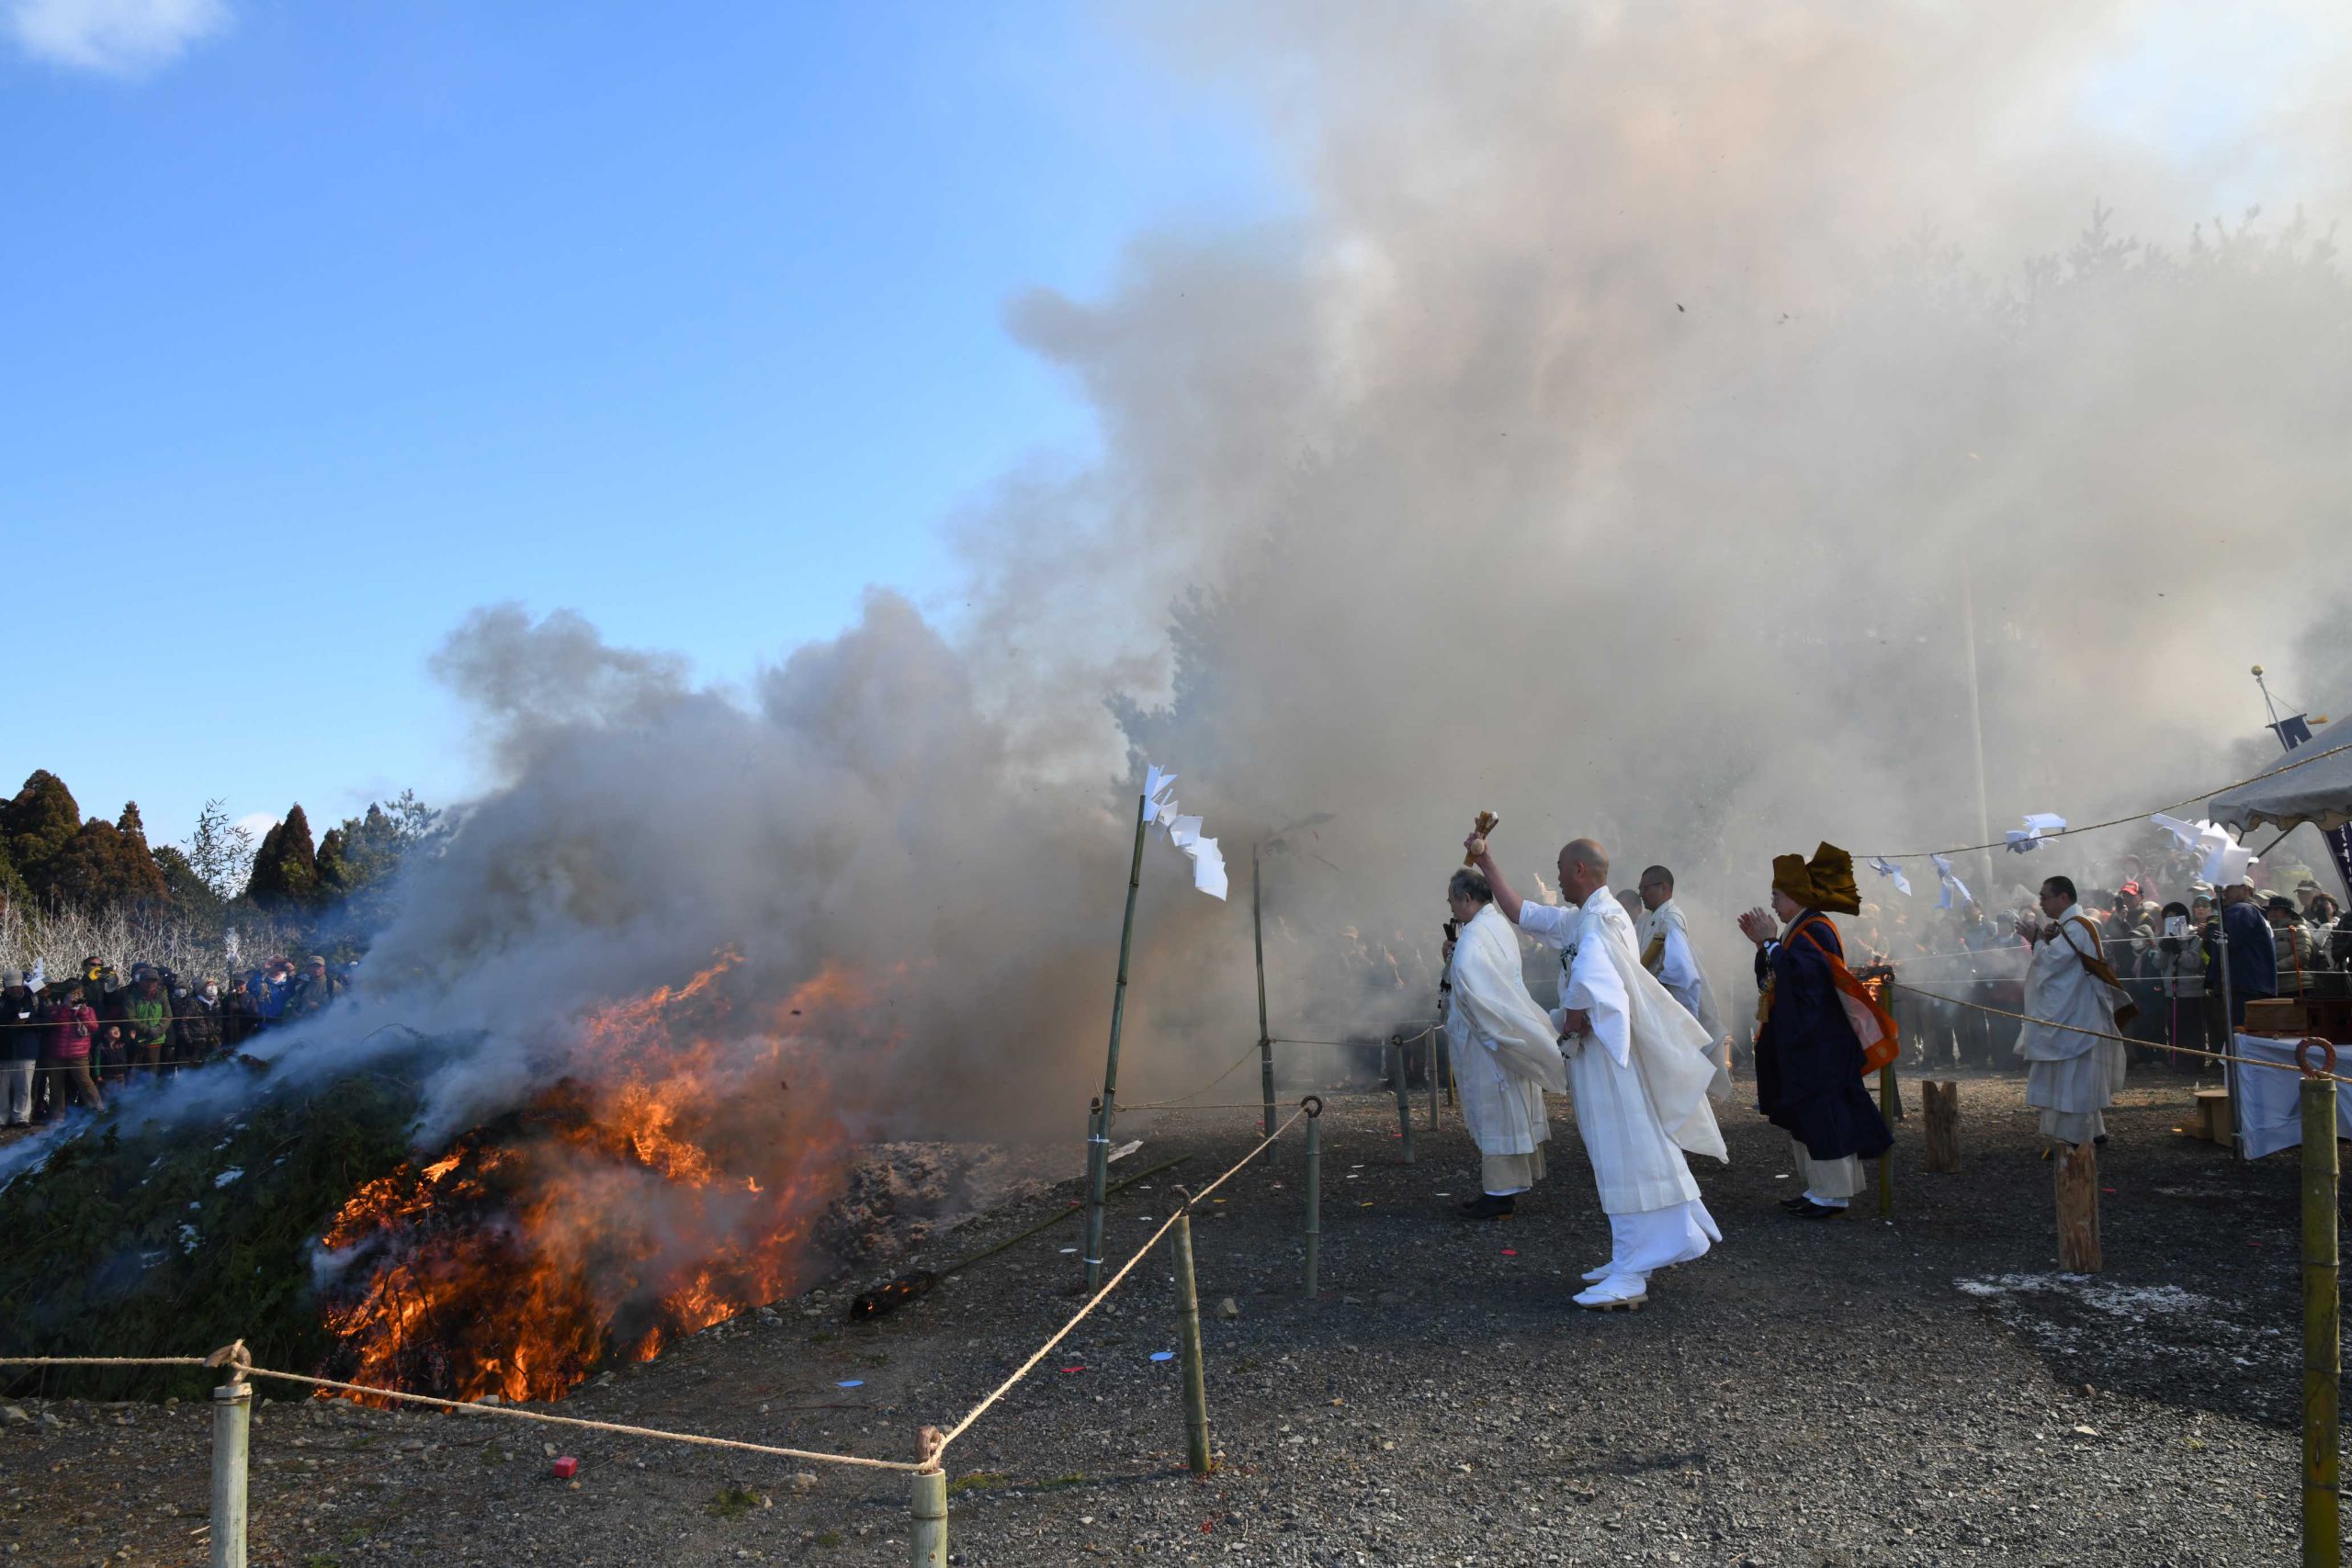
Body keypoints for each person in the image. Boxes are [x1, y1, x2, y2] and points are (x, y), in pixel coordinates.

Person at [1470, 832, 1725, 1312]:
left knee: (1622, 1152)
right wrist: (1486, 862)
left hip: (1609, 1058)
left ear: (1580, 871)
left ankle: (1631, 1270)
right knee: (1620, 1150)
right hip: (1601, 1057)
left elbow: (1595, 984)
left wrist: (1569, 1020)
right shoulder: (1585, 917)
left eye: (1562, 869)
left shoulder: (1601, 921)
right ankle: (1633, 1256)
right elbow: (1522, 912)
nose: (1559, 878)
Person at [1738, 842, 1894, 1220]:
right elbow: (1777, 977)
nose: (1773, 903)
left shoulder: (1817, 929)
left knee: (1825, 1115)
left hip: (1820, 1043)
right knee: (1805, 1114)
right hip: (1803, 1041)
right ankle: (1818, 1188)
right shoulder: (1800, 928)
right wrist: (1766, 944)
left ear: (1794, 895)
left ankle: (1834, 1195)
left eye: (1776, 895)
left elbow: (1804, 980)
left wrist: (1771, 942)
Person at [1439, 866, 1567, 1219]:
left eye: (1452, 900)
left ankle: (1499, 1195)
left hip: (1488, 1043)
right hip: (1505, 1032)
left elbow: (1476, 996)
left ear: (1467, 898)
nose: (1449, 907)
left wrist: (1494, 1038)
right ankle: (1500, 1190)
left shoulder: (1474, 941)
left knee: (1496, 1114)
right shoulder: (1494, 925)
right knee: (1508, 1112)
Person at [2013, 874, 2133, 1147]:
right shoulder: (2068, 926)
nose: (2041, 902)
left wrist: (2038, 941)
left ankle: (2076, 1141)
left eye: (2045, 897)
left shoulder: (2079, 927)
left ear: (2063, 898)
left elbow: (2052, 965)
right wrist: (2044, 940)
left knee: (2075, 1079)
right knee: (2072, 1076)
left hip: (2076, 1015)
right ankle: (2094, 1132)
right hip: (2072, 1009)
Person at [1635, 864, 1730, 1099]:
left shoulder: (1672, 918)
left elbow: (1680, 973)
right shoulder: (1647, 918)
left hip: (1669, 999)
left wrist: (1685, 1017)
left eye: (1645, 888)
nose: (1641, 894)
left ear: (1664, 888)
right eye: (1640, 888)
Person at [2209, 880, 2279, 1026]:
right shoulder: (2255, 912)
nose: (2224, 892)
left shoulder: (2241, 909)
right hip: (2257, 985)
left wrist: (2210, 933)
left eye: (2229, 887)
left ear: (2245, 890)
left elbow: (2227, 942)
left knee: (2239, 1035)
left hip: (2242, 986)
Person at [2151, 901, 2211, 1069]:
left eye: (2175, 917)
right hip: (2171, 992)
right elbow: (2158, 964)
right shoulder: (2165, 938)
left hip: (2192, 992)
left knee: (2193, 1030)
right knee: (2175, 1028)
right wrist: (2164, 948)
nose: (2172, 921)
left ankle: (2196, 1063)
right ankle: (2177, 1061)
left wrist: (2179, 950)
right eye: (2168, 918)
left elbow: (2195, 963)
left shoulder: (2195, 937)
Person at [42, 982, 103, 1113]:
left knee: (85, 1083)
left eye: (79, 993)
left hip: (79, 1053)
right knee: (56, 1085)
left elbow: (94, 1027)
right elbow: (57, 1023)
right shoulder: (54, 1009)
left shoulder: (89, 1010)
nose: (77, 996)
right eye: (74, 993)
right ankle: (57, 1116)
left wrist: (83, 1013)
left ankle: (97, 1109)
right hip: (56, 1054)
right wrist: (66, 1007)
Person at [120, 965, 174, 1077]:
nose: (151, 984)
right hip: (137, 1040)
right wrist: (148, 1030)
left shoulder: (162, 997)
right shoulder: (131, 997)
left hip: (156, 1040)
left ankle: (151, 1093)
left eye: (154, 981)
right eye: (148, 980)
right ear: (141, 981)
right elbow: (130, 1018)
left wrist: (159, 1029)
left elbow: (168, 1016)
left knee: (151, 1074)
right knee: (133, 1074)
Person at [1, 969, 38, 1126]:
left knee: (24, 1086)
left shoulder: (34, 1001)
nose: (15, 990)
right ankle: (1, 1117)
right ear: (5, 987)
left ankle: (21, 1116)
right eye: (11, 987)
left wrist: (27, 1021)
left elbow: (45, 1020)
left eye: (17, 986)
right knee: (2, 1087)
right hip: (4, 1049)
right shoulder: (2, 1002)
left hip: (26, 1047)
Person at [173, 976, 225, 1066]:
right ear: (201, 988)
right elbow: (183, 1022)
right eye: (209, 986)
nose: (213, 988)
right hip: (196, 1042)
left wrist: (216, 1034)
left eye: (214, 985)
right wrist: (188, 1040)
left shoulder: (217, 1004)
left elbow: (219, 1021)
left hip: (212, 1042)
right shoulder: (193, 1003)